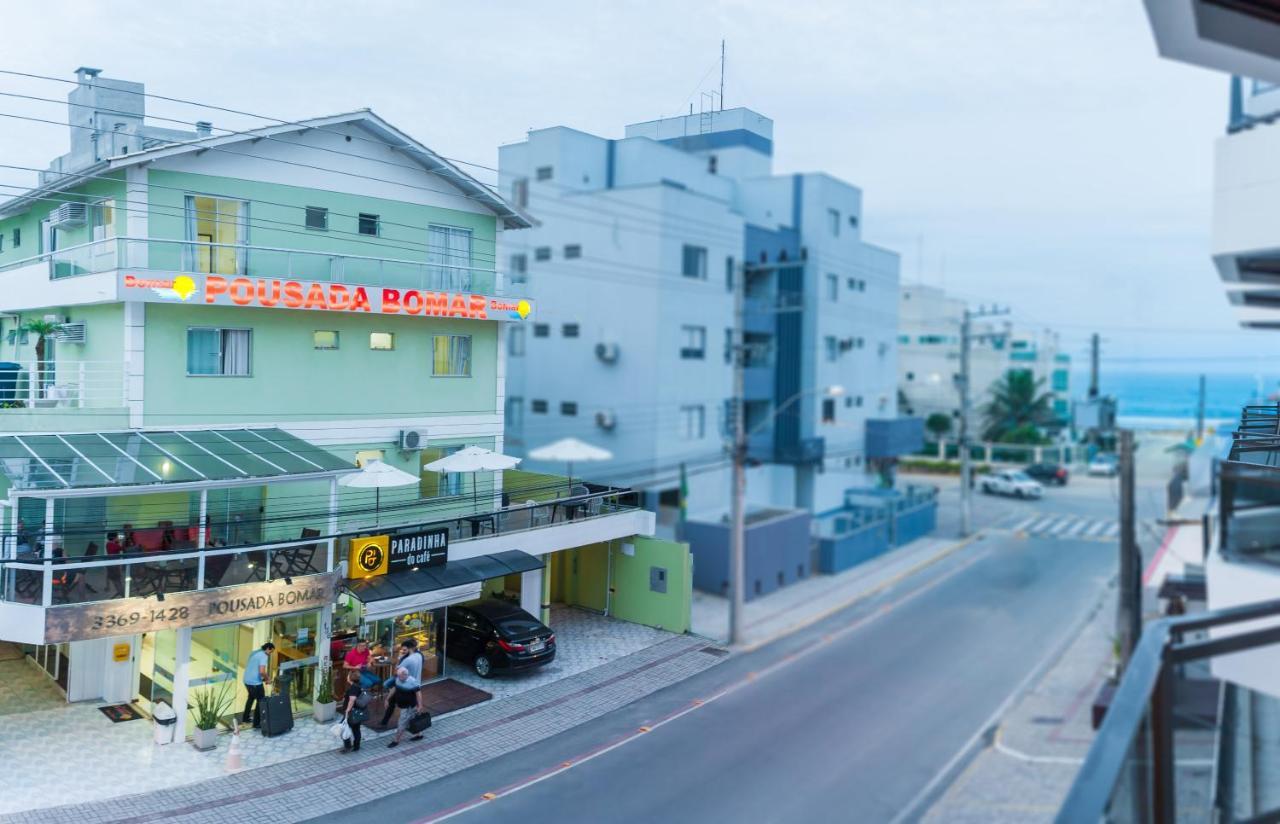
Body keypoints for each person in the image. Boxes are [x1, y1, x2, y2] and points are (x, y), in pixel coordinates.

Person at [386, 666, 422, 748]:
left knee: (401, 722)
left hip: (409, 706)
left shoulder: (413, 682)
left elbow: (418, 694)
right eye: (397, 676)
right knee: (411, 720)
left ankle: (396, 740)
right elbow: (394, 688)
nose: (398, 678)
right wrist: (387, 699)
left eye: (400, 676)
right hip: (403, 706)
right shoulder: (398, 679)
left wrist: (420, 705)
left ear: (405, 674)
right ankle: (419, 734)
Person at [241, 642, 274, 728]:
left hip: (247, 680)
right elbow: (262, 671)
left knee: (251, 698)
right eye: (271, 652)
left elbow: (253, 668)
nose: (270, 654)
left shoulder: (255, 652)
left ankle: (245, 718)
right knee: (260, 701)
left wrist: (262, 678)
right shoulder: (263, 656)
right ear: (268, 649)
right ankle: (257, 723)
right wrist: (268, 679)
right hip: (255, 683)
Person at [340, 670, 364, 753]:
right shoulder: (359, 685)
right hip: (358, 711)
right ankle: (356, 746)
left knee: (343, 728)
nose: (347, 677)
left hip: (351, 712)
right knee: (356, 729)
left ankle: (347, 746)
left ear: (350, 678)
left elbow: (352, 699)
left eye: (348, 675)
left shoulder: (354, 687)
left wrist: (347, 711)